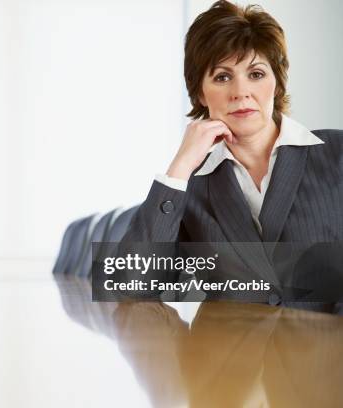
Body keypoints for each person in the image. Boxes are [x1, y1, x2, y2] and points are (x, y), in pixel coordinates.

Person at [120, 0, 343, 307]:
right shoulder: (191, 187)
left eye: (256, 74)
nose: (241, 92)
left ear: (277, 84)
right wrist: (181, 166)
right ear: (200, 92)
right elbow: (132, 286)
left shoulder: (337, 155)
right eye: (222, 77)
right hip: (228, 352)